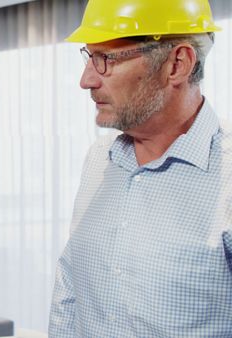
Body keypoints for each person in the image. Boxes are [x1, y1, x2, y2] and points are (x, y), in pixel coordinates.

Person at [49, 0, 232, 336]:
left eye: (105, 59)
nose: (86, 80)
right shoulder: (99, 159)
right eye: (88, 57)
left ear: (177, 64)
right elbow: (71, 286)